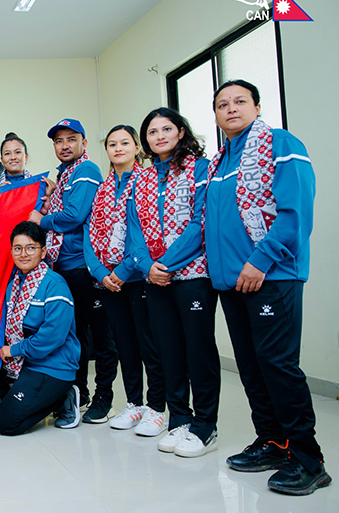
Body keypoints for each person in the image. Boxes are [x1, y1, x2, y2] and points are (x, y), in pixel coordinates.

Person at [206, 80, 329, 494]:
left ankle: (309, 459)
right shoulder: (219, 162)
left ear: (257, 106)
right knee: (252, 368)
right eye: (222, 104)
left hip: (272, 275)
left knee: (278, 366)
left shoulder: (281, 144)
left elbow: (295, 213)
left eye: (240, 101)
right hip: (231, 284)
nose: (231, 108)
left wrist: (260, 260)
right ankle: (273, 442)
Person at [127, 107, 219, 458]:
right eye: (152, 131)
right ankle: (180, 418)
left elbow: (200, 222)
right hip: (155, 279)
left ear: (181, 132)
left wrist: (165, 262)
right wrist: (149, 266)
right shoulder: (141, 179)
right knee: (169, 351)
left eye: (167, 129)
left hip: (192, 275)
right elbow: (134, 232)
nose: (160, 136)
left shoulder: (199, 169)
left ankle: (205, 424)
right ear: (145, 140)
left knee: (198, 351)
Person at [29, 118, 117, 428]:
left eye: (71, 139)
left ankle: (103, 398)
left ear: (83, 143)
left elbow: (75, 216)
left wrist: (41, 219)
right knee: (75, 337)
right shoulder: (65, 175)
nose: (64, 145)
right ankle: (78, 394)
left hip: (84, 266)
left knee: (102, 338)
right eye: (58, 140)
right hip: (63, 267)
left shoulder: (86, 171)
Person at [83, 125, 167, 437]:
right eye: (112, 144)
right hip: (109, 282)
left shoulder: (147, 181)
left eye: (125, 143)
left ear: (136, 147)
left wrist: (123, 270)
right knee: (125, 345)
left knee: (149, 345)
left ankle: (156, 407)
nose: (118, 148)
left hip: (138, 278)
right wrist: (101, 272)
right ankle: (134, 403)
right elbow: (87, 235)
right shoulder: (103, 189)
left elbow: (144, 233)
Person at [0, 221, 80, 433]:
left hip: (51, 365)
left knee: (4, 423)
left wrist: (15, 349)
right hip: (27, 362)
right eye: (18, 248)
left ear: (43, 251)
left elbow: (52, 338)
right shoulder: (14, 283)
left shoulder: (55, 285)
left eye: (31, 248)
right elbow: (5, 324)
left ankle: (62, 398)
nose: (23, 254)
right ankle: (7, 398)